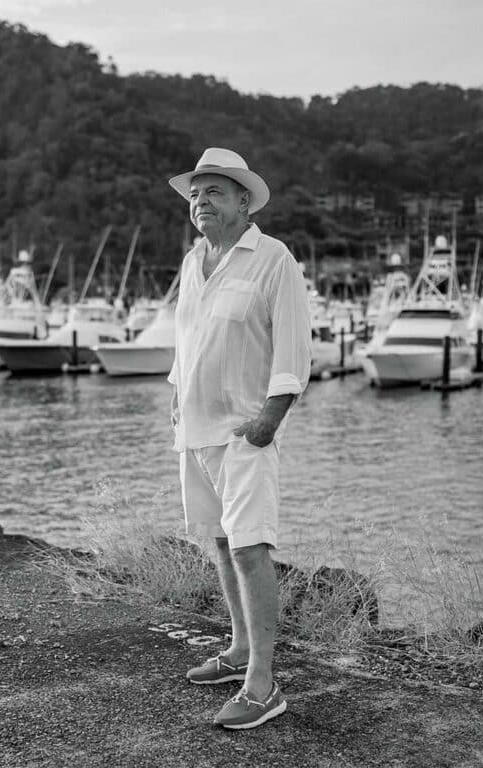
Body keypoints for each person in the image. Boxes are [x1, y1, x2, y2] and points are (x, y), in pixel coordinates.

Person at [166, 147, 311, 730]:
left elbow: (294, 351)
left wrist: (266, 422)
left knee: (251, 547)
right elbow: (187, 344)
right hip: (195, 432)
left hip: (244, 432)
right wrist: (175, 399)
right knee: (221, 543)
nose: (201, 201)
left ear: (244, 201)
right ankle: (238, 651)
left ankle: (262, 685)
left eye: (214, 192)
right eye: (195, 193)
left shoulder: (274, 260)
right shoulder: (192, 262)